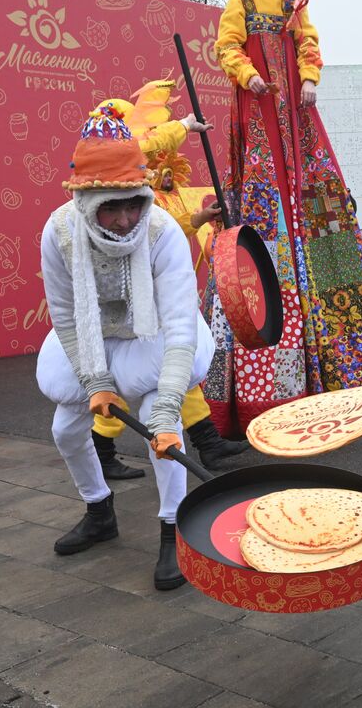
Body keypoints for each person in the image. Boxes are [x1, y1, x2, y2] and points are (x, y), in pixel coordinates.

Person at [209, 0, 362, 433]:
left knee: (316, 203)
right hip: (262, 115)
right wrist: (250, 76)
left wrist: (310, 77)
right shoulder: (241, 1)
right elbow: (227, 48)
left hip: (296, 118)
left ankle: (341, 367)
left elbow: (309, 42)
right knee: (265, 203)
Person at [36, 103, 215, 592]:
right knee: (64, 429)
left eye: (132, 204)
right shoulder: (59, 232)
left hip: (155, 332)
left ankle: (174, 527)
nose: (122, 220)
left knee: (160, 419)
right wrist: (94, 380)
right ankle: (99, 510)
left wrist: (169, 411)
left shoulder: (161, 232)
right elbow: (65, 315)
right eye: (109, 208)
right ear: (85, 202)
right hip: (91, 335)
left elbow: (180, 323)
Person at [89, 88, 247, 479]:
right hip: (124, 303)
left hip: (152, 298)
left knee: (178, 366)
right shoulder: (119, 181)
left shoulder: (145, 185)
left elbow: (164, 233)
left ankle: (208, 443)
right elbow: (152, 231)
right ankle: (100, 454)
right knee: (125, 381)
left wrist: (199, 219)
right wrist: (185, 126)